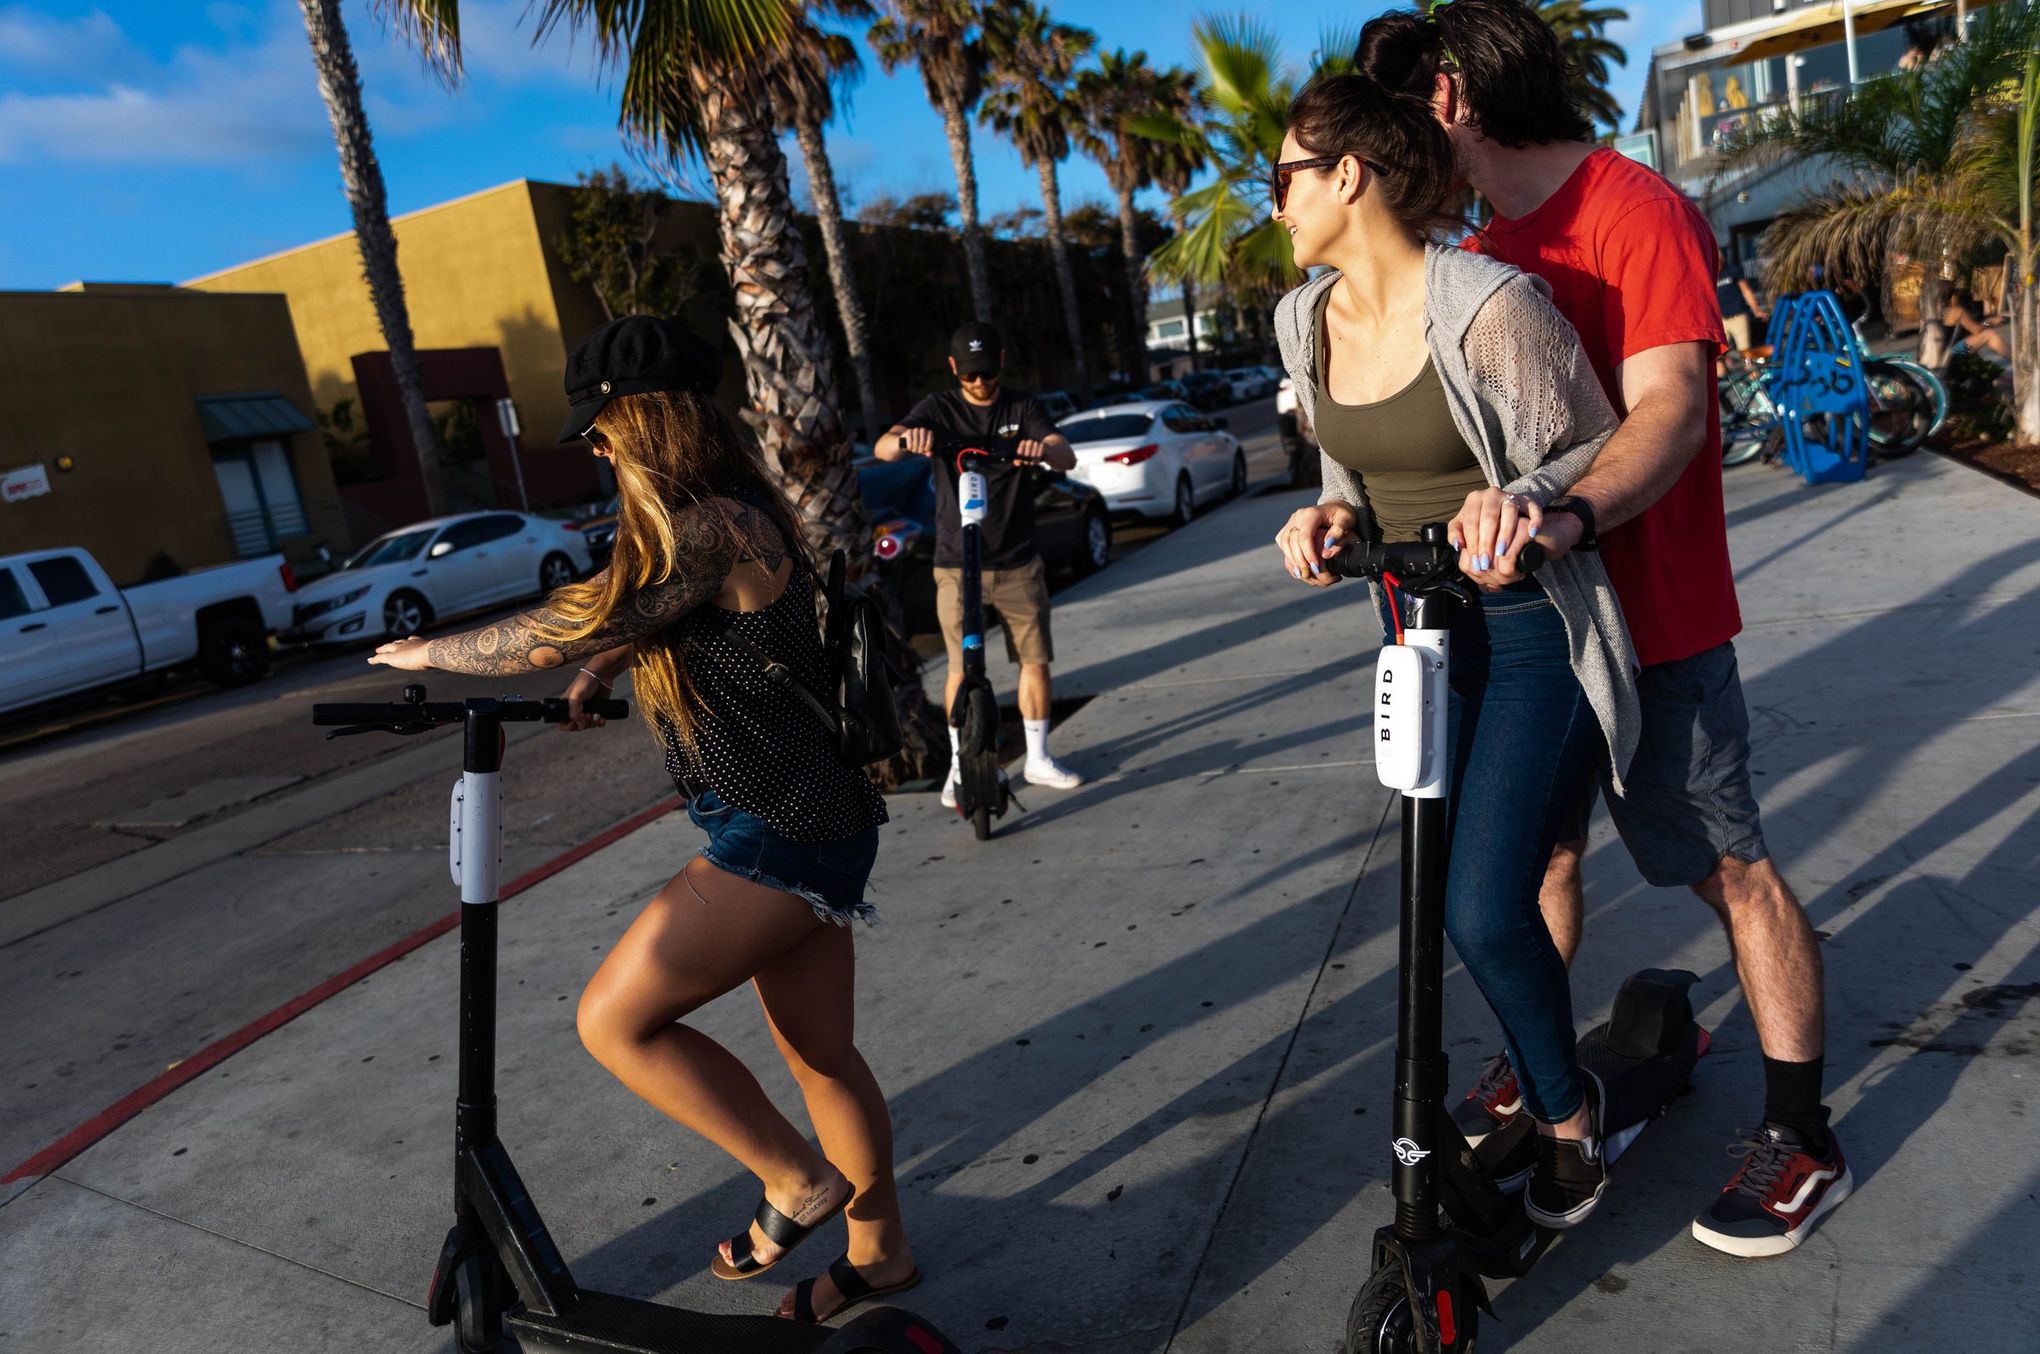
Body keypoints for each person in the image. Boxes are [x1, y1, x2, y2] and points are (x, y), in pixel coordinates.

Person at [1348, 0, 1850, 1258]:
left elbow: (1672, 408)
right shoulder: (1479, 248)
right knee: (1537, 868)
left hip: (1658, 621)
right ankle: (1542, 1066)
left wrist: (1560, 511)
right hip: (1531, 640)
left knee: (1728, 867)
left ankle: (1803, 1132)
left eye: (1407, 115)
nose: (1395, 148)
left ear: (1453, 96)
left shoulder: (1637, 211)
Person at [367, 315, 919, 1325]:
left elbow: (573, 616)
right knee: (821, 1056)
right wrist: (607, 665)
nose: (597, 450)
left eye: (600, 430)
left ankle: (795, 1181)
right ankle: (880, 1256)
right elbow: (647, 617)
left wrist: (429, 654)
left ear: (644, 423)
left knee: (614, 1021)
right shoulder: (734, 515)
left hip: (777, 832)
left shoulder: (711, 526)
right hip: (818, 817)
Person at [1270, 73, 1642, 1229]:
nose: (1272, 201)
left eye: (1282, 176)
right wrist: (1326, 518)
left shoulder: (1488, 306)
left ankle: (1574, 1120)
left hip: (1534, 636)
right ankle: (1536, 1090)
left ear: (1348, 176)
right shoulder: (1299, 320)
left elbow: (1598, 446)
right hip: (1418, 646)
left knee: (1484, 905)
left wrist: (1518, 498)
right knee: (1441, 901)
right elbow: (1346, 476)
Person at [877, 322, 1085, 802]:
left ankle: (1037, 757)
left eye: (987, 372)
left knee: (1033, 659)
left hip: (1017, 562)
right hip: (956, 563)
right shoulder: (938, 409)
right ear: (954, 369)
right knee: (960, 667)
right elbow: (886, 445)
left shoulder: (1022, 408)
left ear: (1002, 362)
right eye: (970, 375)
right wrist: (911, 440)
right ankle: (958, 767)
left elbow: (1065, 455)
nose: (980, 383)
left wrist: (1043, 450)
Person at [1717, 251, 1769, 357]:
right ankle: (1722, 373)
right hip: (1720, 319)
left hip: (1738, 315)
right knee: (1718, 354)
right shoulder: (1709, 274)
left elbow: (1746, 291)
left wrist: (1756, 309)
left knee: (1745, 352)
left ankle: (1751, 372)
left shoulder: (1732, 270)